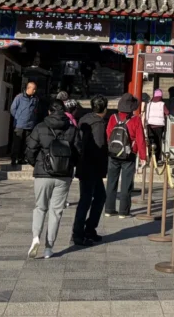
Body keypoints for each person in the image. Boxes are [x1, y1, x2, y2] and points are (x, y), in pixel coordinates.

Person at [25, 98, 81, 259]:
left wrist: (36, 164)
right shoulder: (71, 128)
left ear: (49, 111)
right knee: (56, 211)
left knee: (40, 207)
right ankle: (49, 248)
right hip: (63, 175)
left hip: (43, 173)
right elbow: (78, 151)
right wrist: (70, 165)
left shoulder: (40, 127)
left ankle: (36, 237)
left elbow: (30, 149)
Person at [72, 94, 109, 246]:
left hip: (84, 164)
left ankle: (88, 229)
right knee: (87, 200)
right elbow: (99, 146)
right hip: (92, 166)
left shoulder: (84, 119)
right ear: (105, 109)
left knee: (98, 196)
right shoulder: (98, 124)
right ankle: (79, 232)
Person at [104, 93, 147, 218]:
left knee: (111, 182)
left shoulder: (113, 117)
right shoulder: (135, 119)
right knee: (126, 184)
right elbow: (140, 139)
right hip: (129, 154)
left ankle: (109, 209)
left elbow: (108, 134)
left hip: (113, 153)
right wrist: (143, 157)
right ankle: (123, 211)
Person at [9, 81, 40, 166]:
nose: (35, 91)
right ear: (28, 88)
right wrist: (18, 117)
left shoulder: (35, 99)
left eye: (35, 89)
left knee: (26, 144)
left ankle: (21, 158)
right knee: (17, 142)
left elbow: (36, 110)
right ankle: (14, 159)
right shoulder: (19, 97)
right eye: (33, 89)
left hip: (30, 125)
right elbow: (12, 109)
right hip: (19, 124)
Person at [146, 89, 167, 164]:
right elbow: (167, 112)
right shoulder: (162, 104)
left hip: (150, 125)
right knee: (158, 142)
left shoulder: (149, 104)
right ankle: (157, 159)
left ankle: (150, 157)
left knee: (151, 142)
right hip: (159, 126)